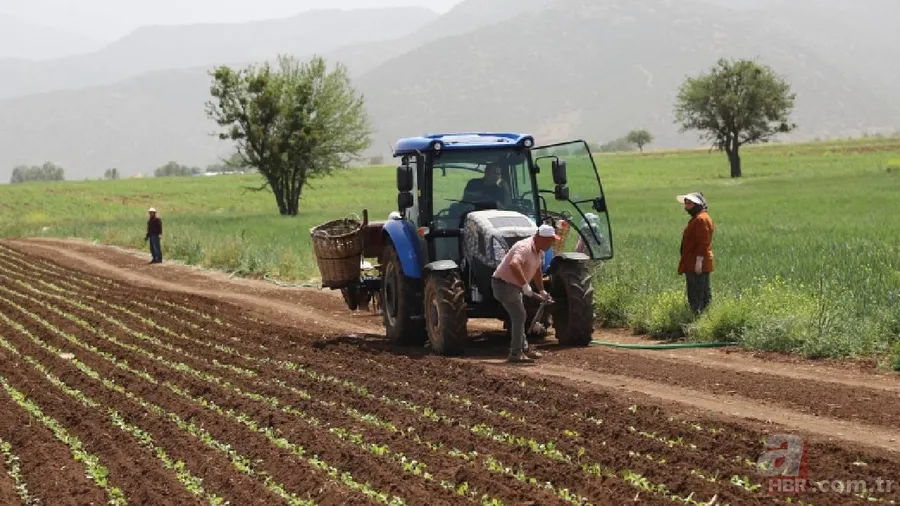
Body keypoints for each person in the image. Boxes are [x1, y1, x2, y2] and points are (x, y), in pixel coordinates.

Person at [491, 224, 558, 363]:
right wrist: (525, 285)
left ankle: (524, 349)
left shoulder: (539, 251)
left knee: (520, 315)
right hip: (503, 284)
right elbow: (514, 264)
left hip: (514, 286)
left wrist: (541, 290)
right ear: (540, 238)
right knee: (519, 315)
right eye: (549, 241)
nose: (550, 244)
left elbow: (537, 270)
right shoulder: (524, 247)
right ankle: (516, 354)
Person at [677, 192, 714, 314]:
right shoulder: (699, 218)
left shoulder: (700, 219)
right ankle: (703, 318)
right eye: (685, 203)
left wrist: (699, 262)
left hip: (696, 263)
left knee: (696, 295)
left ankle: (697, 319)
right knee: (702, 294)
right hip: (694, 262)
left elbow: (703, 242)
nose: (686, 206)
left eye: (689, 203)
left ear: (697, 204)